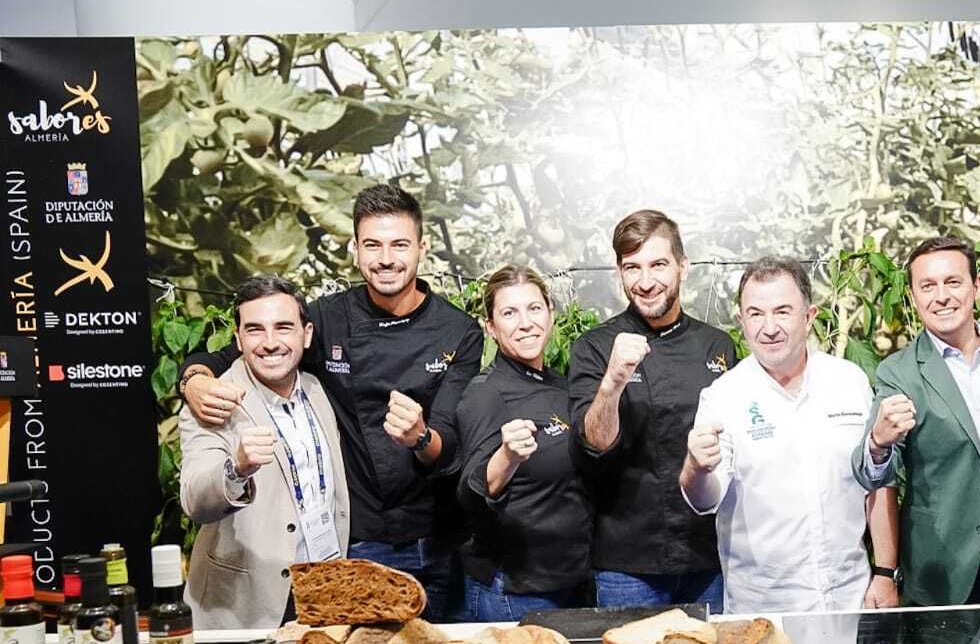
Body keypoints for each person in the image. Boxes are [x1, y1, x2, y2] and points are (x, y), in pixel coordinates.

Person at [177, 183, 483, 621]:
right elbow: (244, 350)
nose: (386, 259)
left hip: (437, 537)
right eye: (372, 245)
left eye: (400, 244)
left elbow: (451, 444)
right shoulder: (326, 318)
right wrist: (194, 380)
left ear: (422, 248)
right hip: (359, 540)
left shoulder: (458, 330)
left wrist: (420, 436)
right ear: (354, 249)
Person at [679, 256, 897, 613]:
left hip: (850, 598)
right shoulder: (723, 397)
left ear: (809, 316)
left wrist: (886, 572)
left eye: (782, 311)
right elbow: (704, 500)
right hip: (763, 609)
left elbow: (879, 480)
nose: (769, 327)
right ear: (741, 322)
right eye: (755, 314)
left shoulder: (849, 381)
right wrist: (696, 467)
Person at [852, 236, 980, 606]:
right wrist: (878, 442)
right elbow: (871, 474)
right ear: (913, 298)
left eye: (953, 282)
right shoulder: (899, 373)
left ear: (976, 286)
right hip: (946, 566)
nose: (941, 296)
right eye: (927, 286)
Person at [567, 210, 737, 611]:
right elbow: (593, 445)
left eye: (658, 265)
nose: (645, 282)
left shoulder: (717, 346)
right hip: (627, 564)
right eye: (632, 268)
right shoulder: (593, 347)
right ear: (618, 273)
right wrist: (612, 381)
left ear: (682, 265)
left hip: (708, 558)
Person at [179, 276, 350, 629]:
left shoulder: (317, 389)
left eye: (283, 327)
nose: (270, 343)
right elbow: (196, 501)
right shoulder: (215, 399)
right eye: (255, 330)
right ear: (239, 339)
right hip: (247, 604)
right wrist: (236, 469)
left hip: (323, 587)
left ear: (306, 334)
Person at [453, 265, 593, 618]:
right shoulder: (485, 394)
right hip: (515, 590)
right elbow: (470, 494)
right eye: (509, 313)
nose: (526, 323)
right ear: (491, 327)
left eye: (534, 308)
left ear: (550, 313)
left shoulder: (563, 384)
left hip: (572, 580)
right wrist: (507, 456)